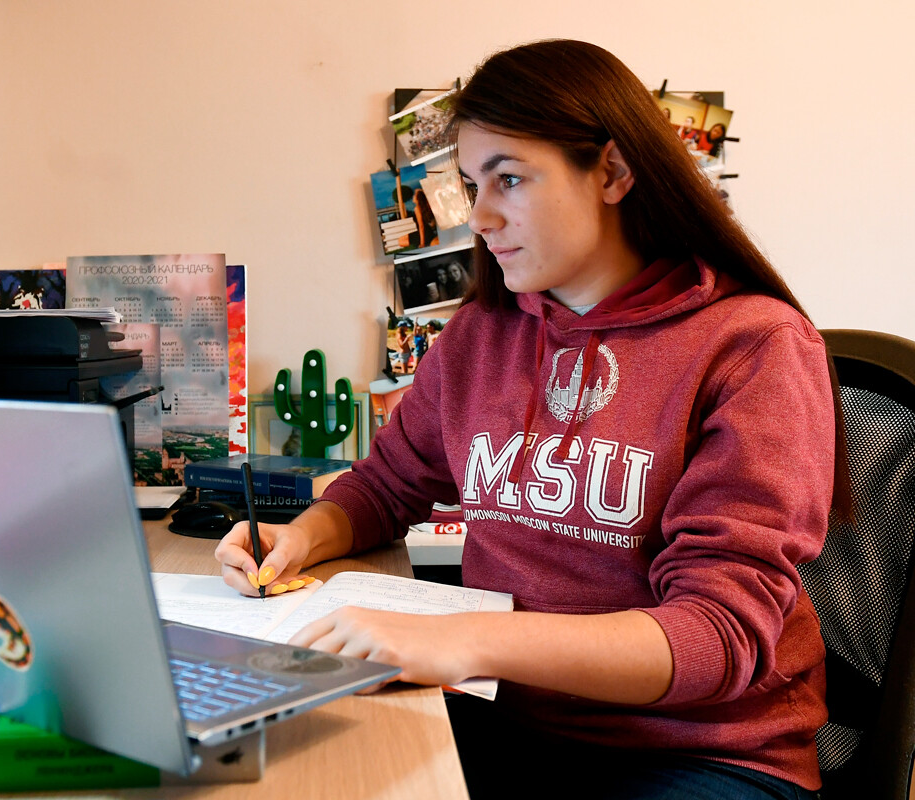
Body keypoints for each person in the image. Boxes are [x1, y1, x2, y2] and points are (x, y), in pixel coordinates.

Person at [216, 38, 847, 800]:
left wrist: (464, 641)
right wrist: (298, 539)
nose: (480, 215)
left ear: (612, 172)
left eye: (508, 179)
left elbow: (716, 637)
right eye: (471, 183)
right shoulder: (481, 336)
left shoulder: (753, 346)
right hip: (512, 723)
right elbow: (385, 490)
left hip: (700, 757)